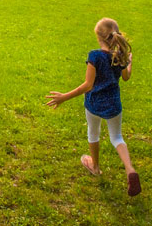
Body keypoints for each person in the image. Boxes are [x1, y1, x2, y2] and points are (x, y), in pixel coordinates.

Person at [45, 18, 140, 197]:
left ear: (99, 37)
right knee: (117, 137)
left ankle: (95, 167)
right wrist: (129, 61)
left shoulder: (94, 56)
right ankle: (130, 169)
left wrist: (64, 97)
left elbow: (88, 85)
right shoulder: (119, 56)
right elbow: (126, 77)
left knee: (93, 132)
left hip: (94, 104)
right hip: (113, 105)